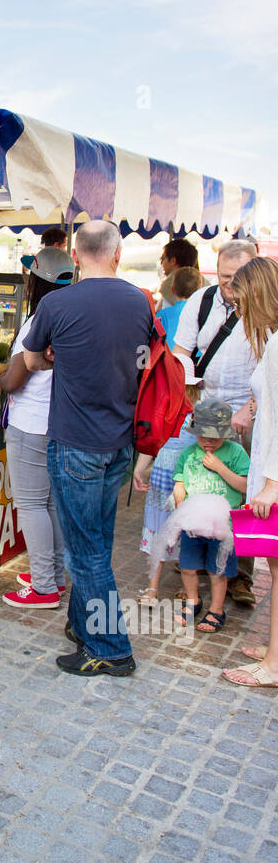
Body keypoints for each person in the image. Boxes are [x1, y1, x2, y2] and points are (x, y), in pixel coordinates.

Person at [23, 219, 153, 677]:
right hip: (118, 443)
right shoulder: (139, 301)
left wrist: (56, 355)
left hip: (76, 442)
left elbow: (32, 358)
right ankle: (82, 625)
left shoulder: (58, 303)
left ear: (75, 256)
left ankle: (111, 647)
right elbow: (143, 361)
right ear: (117, 254)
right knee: (94, 540)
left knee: (86, 552)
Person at [173, 238, 258, 606]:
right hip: (207, 411)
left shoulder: (265, 307)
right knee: (201, 488)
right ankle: (196, 570)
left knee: (245, 494)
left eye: (237, 278)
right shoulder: (202, 300)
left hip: (250, 416)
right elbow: (181, 351)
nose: (230, 285)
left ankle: (240, 575)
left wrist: (250, 410)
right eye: (224, 277)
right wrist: (188, 387)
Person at [0, 247, 75, 610]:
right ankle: (54, 577)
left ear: (36, 281)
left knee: (31, 506)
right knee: (51, 506)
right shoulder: (73, 316)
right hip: (58, 423)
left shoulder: (36, 322)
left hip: (30, 425)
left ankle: (44, 587)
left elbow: (14, 380)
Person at [221, 257, 278, 687]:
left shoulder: (277, 345)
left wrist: (270, 485)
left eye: (241, 303)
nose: (238, 312)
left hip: (272, 475)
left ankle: (273, 665)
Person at [171, 398, 249, 634]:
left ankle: (216, 609)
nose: (208, 441)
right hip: (193, 524)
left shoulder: (235, 453)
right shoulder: (188, 453)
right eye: (203, 435)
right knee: (187, 567)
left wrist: (220, 468)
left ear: (226, 433)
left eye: (214, 436)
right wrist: (179, 503)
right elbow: (180, 483)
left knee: (218, 570)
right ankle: (193, 600)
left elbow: (245, 486)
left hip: (222, 526)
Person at [133, 355, 203, 606]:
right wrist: (140, 470)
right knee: (163, 531)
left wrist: (141, 469)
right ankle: (154, 587)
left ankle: (183, 586)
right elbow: (151, 443)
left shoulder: (197, 412)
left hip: (187, 480)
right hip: (164, 480)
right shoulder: (162, 407)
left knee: (185, 533)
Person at [156, 266, 203, 348]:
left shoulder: (162, 315)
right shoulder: (204, 314)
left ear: (172, 290)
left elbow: (154, 341)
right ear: (199, 291)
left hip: (170, 358)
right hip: (196, 359)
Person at [157, 237, 200, 307]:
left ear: (173, 261)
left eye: (163, 258)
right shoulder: (205, 283)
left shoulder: (169, 284)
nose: (161, 263)